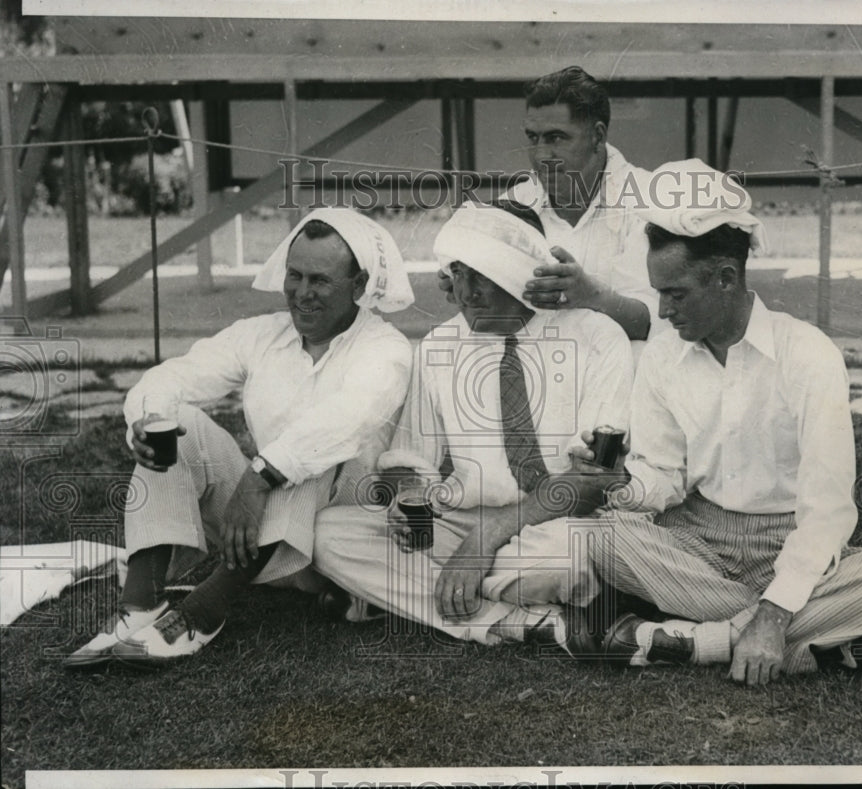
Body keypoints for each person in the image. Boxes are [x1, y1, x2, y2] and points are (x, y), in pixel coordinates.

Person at [575, 169, 862, 683]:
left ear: (725, 277)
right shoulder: (664, 353)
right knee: (601, 538)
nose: (662, 310)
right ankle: (818, 641)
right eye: (658, 293)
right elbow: (663, 474)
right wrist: (622, 486)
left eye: (675, 294)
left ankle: (694, 642)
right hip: (695, 538)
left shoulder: (808, 354)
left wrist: (775, 609)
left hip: (787, 539)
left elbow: (828, 509)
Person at [64, 208, 415, 668]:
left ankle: (201, 613)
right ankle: (140, 606)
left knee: (313, 453)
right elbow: (176, 376)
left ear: (358, 284)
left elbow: (343, 421)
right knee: (178, 422)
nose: (302, 293)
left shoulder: (385, 349)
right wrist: (145, 420)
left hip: (340, 538)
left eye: (320, 281)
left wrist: (258, 477)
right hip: (263, 538)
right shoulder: (263, 335)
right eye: (295, 275)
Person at [312, 200, 633, 651]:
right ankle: (515, 621)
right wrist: (411, 505)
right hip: (460, 525)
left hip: (554, 525)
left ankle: (460, 597)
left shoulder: (596, 338)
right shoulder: (441, 345)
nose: (467, 291)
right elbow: (411, 460)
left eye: (484, 273)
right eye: (459, 272)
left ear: (529, 273)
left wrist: (488, 538)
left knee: (570, 558)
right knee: (331, 535)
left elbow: (594, 481)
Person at [438, 66, 675, 342]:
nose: (541, 155)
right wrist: (459, 276)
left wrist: (590, 296)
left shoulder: (650, 203)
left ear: (598, 136)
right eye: (533, 138)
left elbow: (661, 322)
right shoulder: (514, 205)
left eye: (556, 138)